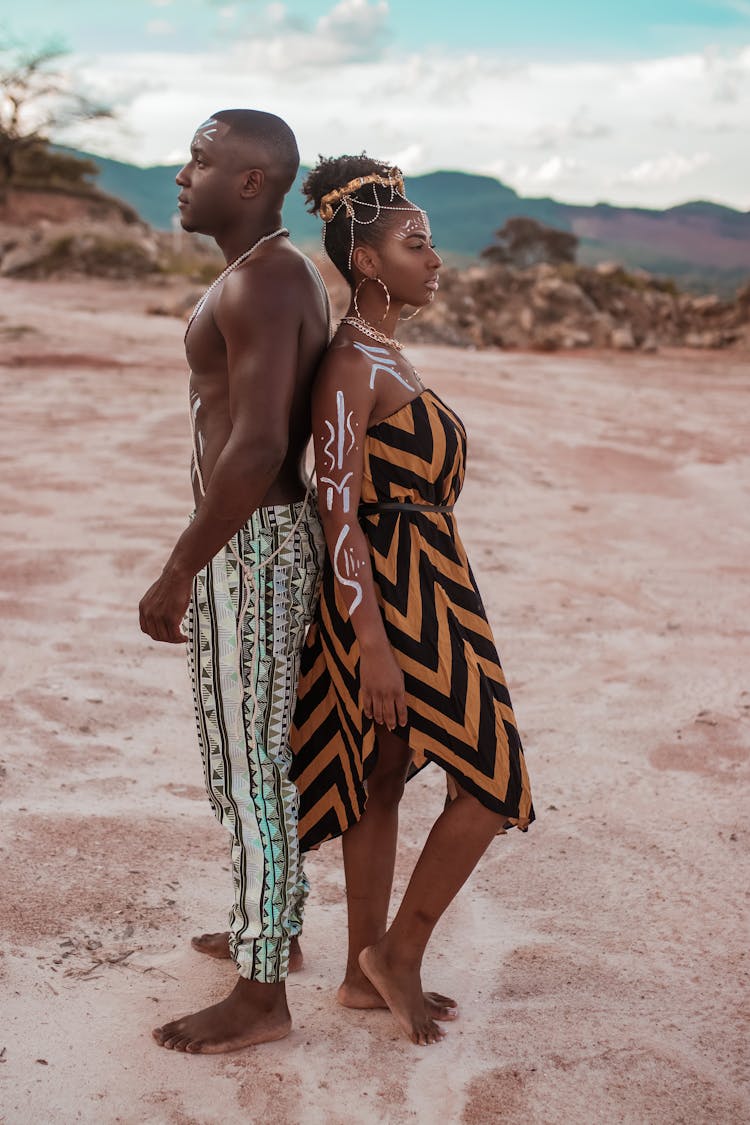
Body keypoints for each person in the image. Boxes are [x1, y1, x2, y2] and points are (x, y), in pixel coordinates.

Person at [289, 155, 535, 1046]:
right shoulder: (351, 361)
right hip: (390, 598)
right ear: (366, 262)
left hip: (436, 581)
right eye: (416, 244)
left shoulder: (389, 351)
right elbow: (337, 506)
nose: (436, 260)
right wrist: (374, 645)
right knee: (493, 774)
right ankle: (394, 954)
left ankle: (368, 969)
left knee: (382, 772)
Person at [138, 109, 329, 1054]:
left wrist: (181, 565)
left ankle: (262, 993)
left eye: (201, 160)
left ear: (252, 182)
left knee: (251, 765)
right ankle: (270, 931)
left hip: (248, 544)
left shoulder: (267, 281)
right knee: (238, 751)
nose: (183, 173)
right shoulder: (267, 273)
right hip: (253, 541)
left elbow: (257, 446)